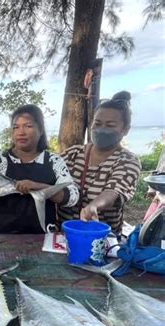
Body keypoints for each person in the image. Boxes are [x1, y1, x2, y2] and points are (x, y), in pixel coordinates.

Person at [0, 104, 78, 234]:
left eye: (28, 126)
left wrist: (40, 187)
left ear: (40, 130)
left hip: (41, 238)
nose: (21, 132)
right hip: (0, 236)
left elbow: (72, 197)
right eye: (16, 127)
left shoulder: (53, 161)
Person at [57, 91, 141, 235]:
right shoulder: (73, 154)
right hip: (61, 237)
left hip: (102, 241)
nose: (102, 129)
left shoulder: (128, 161)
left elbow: (113, 191)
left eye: (110, 125)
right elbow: (48, 172)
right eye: (98, 123)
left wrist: (94, 206)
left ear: (125, 130)